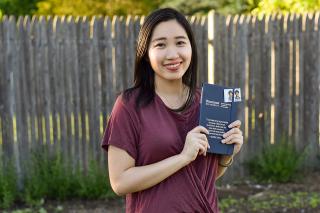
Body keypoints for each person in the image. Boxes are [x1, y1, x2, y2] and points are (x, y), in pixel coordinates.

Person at [101, 8, 243, 213]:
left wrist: (227, 155)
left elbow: (201, 178)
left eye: (180, 43)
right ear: (145, 53)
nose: (172, 54)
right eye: (160, 44)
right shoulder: (129, 105)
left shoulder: (209, 102)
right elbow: (120, 182)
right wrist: (183, 157)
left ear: (191, 48)